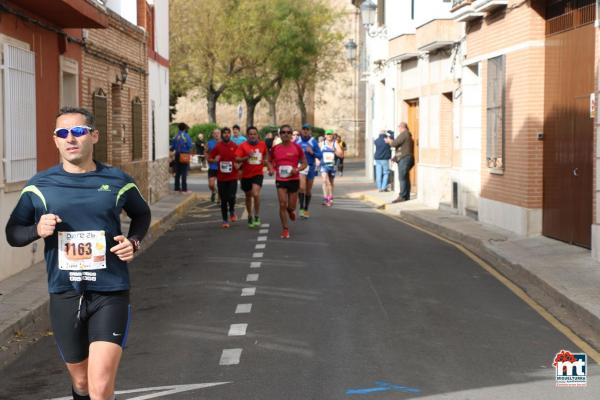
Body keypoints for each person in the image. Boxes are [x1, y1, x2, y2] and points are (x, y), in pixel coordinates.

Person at [5, 107, 151, 400]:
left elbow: (142, 215)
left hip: (110, 291)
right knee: (82, 384)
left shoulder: (118, 180)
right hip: (65, 293)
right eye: (63, 133)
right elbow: (13, 233)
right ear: (56, 141)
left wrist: (133, 242)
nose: (70, 138)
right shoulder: (40, 186)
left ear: (93, 136)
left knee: (99, 386)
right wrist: (37, 229)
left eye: (78, 132)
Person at [267, 124, 307, 239]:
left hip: (294, 179)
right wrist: (270, 168)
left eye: (288, 132)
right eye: (283, 132)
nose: (286, 134)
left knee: (291, 207)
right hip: (281, 180)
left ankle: (291, 211)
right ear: (280, 134)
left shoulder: (297, 148)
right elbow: (268, 160)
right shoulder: (275, 148)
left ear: (291, 135)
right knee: (282, 204)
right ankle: (285, 229)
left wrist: (297, 169)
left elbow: (304, 163)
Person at [235, 126, 268, 228]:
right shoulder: (242, 146)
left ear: (257, 135)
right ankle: (250, 215)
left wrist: (265, 162)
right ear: (247, 135)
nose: (253, 136)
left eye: (254, 134)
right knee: (248, 196)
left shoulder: (262, 144)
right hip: (246, 175)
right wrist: (246, 157)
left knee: (256, 193)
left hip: (258, 173)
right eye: (251, 134)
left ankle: (257, 215)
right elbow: (237, 158)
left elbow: (266, 155)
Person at [208, 127, 239, 228]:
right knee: (223, 199)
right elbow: (209, 158)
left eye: (228, 133)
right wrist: (214, 160)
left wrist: (239, 165)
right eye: (224, 133)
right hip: (221, 178)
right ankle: (225, 220)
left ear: (230, 135)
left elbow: (240, 158)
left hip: (233, 177)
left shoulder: (234, 146)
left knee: (231, 196)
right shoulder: (218, 146)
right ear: (222, 135)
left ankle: (232, 211)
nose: (226, 135)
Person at [295, 124, 322, 219]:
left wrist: (312, 152)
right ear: (301, 131)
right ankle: (301, 207)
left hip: (310, 167)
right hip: (301, 166)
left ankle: (306, 208)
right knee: (302, 187)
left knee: (308, 190)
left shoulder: (313, 141)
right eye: (304, 129)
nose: (305, 131)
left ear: (310, 131)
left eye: (307, 129)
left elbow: (320, 155)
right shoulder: (297, 141)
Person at [387, 122, 415, 203]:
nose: (398, 129)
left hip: (405, 159)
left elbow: (394, 144)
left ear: (402, 127)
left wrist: (390, 141)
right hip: (407, 158)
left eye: (399, 127)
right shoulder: (408, 135)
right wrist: (394, 158)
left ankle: (402, 196)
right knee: (405, 177)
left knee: (402, 177)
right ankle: (406, 195)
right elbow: (402, 148)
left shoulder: (404, 134)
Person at [319, 129, 344, 207]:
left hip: (332, 166)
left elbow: (341, 155)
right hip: (323, 165)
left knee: (331, 182)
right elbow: (316, 153)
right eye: (327, 134)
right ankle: (326, 198)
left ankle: (330, 197)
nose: (329, 136)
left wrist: (335, 151)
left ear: (332, 135)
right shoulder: (321, 144)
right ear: (325, 136)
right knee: (324, 181)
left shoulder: (335, 144)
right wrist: (317, 160)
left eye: (330, 134)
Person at [170, 123, 192, 193]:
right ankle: (184, 189)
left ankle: (176, 188)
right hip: (184, 155)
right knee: (184, 172)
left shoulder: (176, 136)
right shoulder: (186, 135)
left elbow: (172, 147)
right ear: (185, 128)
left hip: (177, 154)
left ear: (179, 128)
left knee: (177, 172)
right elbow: (189, 145)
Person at [207, 128, 221, 202]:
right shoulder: (209, 143)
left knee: (220, 185)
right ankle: (214, 191)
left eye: (218, 133)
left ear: (220, 134)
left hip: (221, 167)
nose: (216, 134)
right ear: (213, 134)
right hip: (212, 166)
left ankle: (219, 199)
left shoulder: (223, 143)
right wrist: (211, 160)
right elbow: (207, 153)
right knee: (211, 185)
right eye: (215, 133)